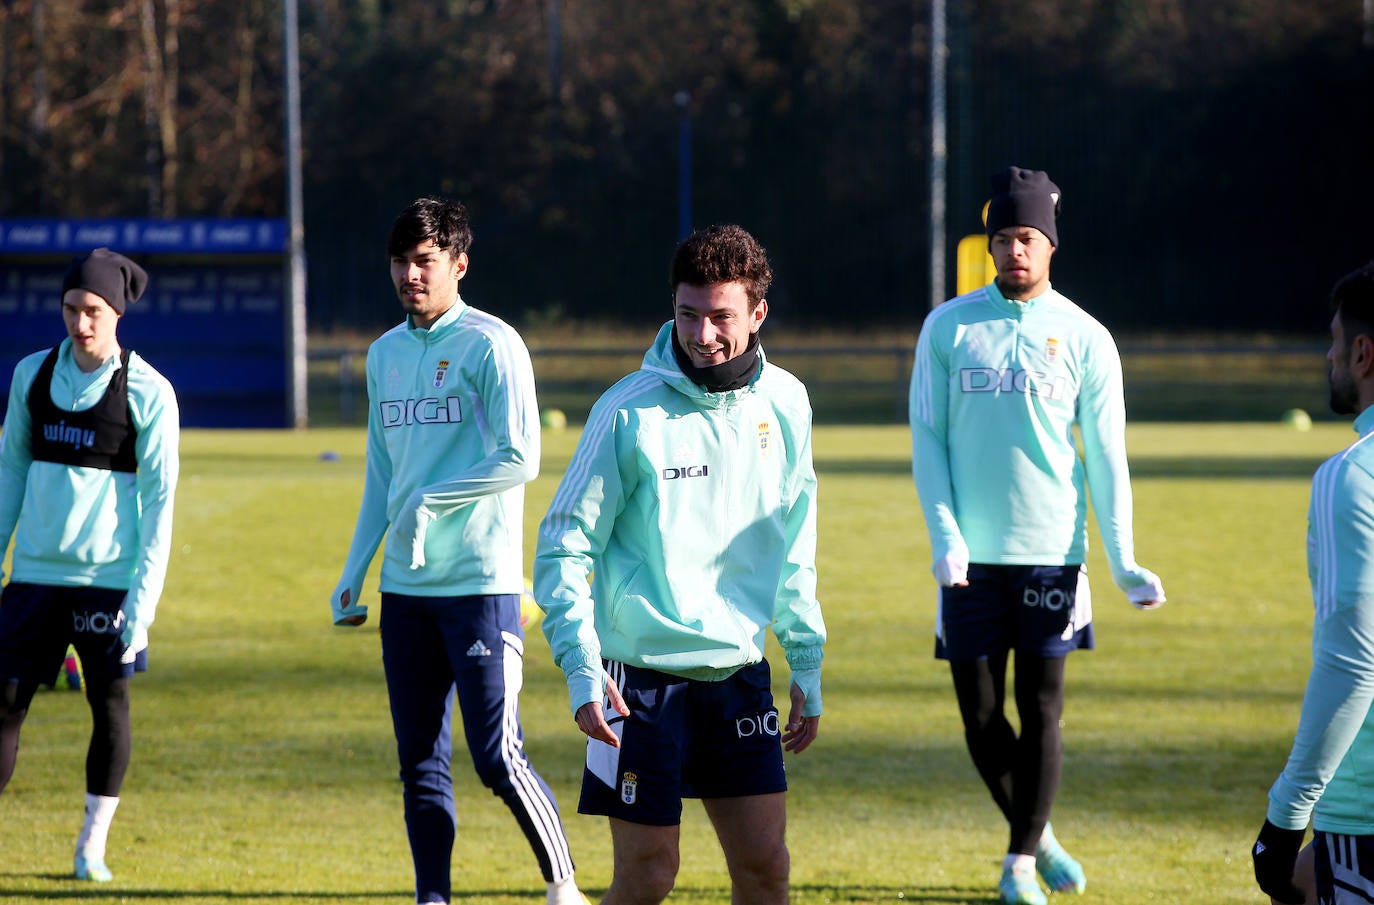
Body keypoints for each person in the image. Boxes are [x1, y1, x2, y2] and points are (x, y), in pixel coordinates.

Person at [533, 223, 826, 905]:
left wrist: (804, 658)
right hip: (636, 687)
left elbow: (794, 541)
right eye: (688, 313)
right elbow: (564, 543)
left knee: (765, 868)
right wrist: (580, 664)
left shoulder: (787, 403)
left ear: (757, 313)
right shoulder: (626, 412)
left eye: (721, 316)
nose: (702, 334)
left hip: (738, 677)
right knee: (647, 875)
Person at [909, 167, 1165, 905]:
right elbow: (928, 438)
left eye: (1027, 238)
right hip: (967, 559)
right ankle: (1040, 828)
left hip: (1055, 552)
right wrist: (944, 535)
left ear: (1050, 243)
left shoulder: (1085, 336)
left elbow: (1106, 453)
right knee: (982, 717)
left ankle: (1019, 860)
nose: (1013, 250)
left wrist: (1122, 562)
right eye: (1002, 238)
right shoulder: (948, 327)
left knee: (1042, 706)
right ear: (988, 245)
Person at [329, 197, 586, 905]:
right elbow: (383, 474)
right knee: (420, 763)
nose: (411, 275)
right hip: (405, 594)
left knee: (498, 757)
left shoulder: (491, 343)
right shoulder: (383, 355)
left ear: (459, 264)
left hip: (480, 586)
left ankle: (563, 886)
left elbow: (521, 458)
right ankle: (432, 898)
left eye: (425, 261)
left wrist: (429, 502)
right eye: (401, 262)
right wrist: (354, 569)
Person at [0, 247, 180, 882]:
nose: (81, 323)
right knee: (5, 705)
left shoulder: (151, 393)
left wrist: (144, 601)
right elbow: (10, 473)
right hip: (34, 580)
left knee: (110, 707)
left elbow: (161, 504)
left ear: (118, 313)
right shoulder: (32, 374)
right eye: (72, 308)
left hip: (108, 584)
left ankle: (90, 848)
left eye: (94, 310)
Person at [1253, 262, 1374, 905]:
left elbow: (1353, 664)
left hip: (1364, 811)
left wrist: (1284, 817)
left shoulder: (1352, 477)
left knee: (1291, 878)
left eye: (1333, 342)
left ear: (1362, 352)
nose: (1328, 356)